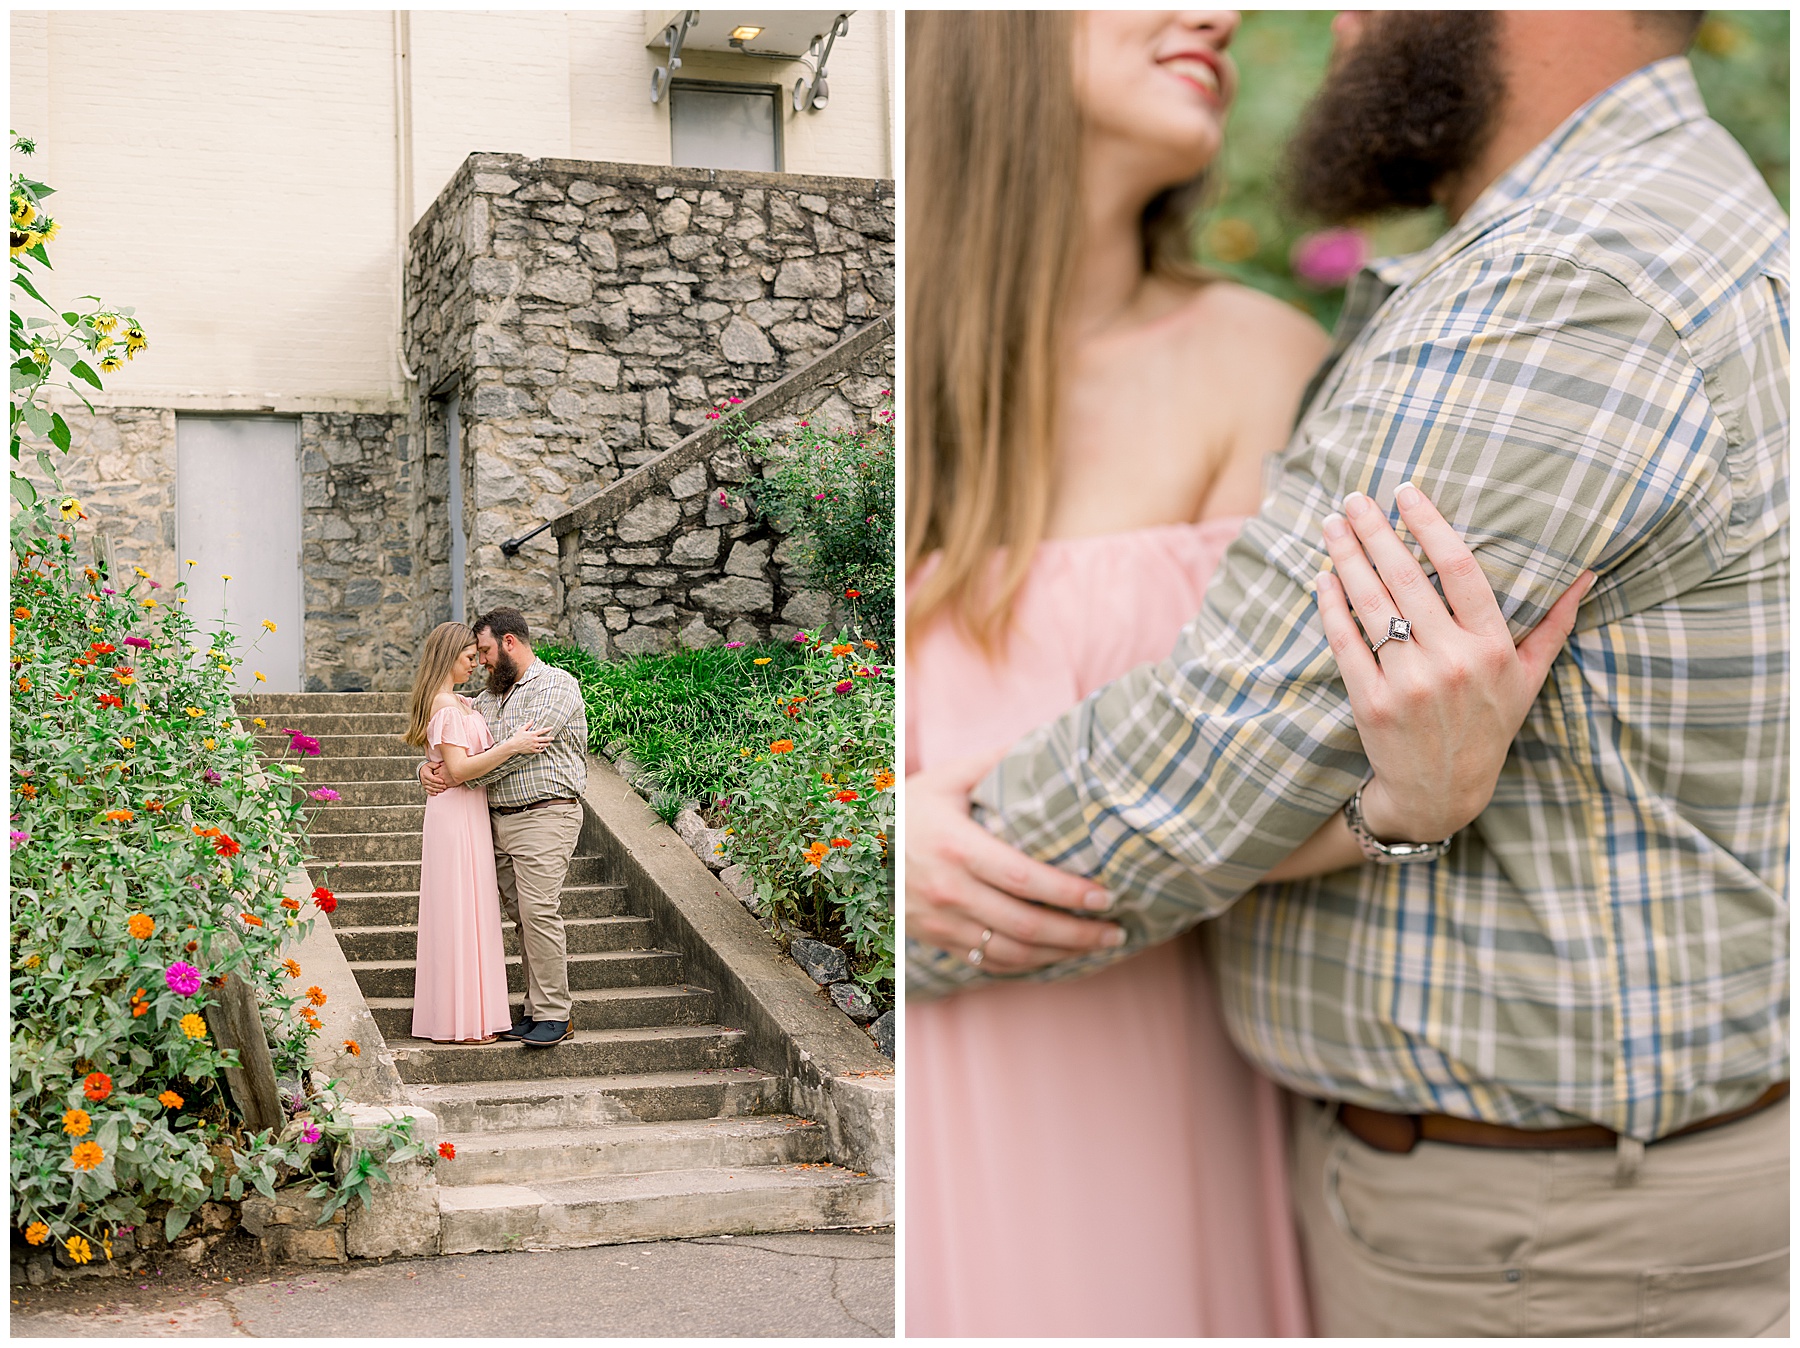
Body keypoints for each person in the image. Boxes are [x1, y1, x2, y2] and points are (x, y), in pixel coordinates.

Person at [909, 9, 1787, 1338]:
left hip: (1203, 1087)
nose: (1251, 11)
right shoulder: (1571, 255)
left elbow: (1232, 766)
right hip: (960, 1070)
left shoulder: (1445, 306)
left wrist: (868, 888)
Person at [420, 607, 590, 1049]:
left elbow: (518, 752)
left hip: (545, 813)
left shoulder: (556, 686)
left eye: (488, 650)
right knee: (521, 917)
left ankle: (557, 1014)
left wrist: (455, 775)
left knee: (537, 911)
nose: (482, 661)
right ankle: (535, 1010)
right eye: (475, 653)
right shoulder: (489, 698)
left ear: (510, 642)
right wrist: (429, 767)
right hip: (494, 820)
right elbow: (453, 737)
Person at [403, 621, 553, 1043]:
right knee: (457, 911)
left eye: (478, 655)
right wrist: (513, 745)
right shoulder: (446, 705)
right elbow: (461, 769)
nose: (477, 664)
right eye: (470, 657)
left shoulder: (461, 703)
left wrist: (424, 768)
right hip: (455, 816)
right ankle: (459, 1021)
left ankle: (472, 1015)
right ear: (448, 656)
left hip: (469, 812)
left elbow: (446, 760)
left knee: (471, 910)